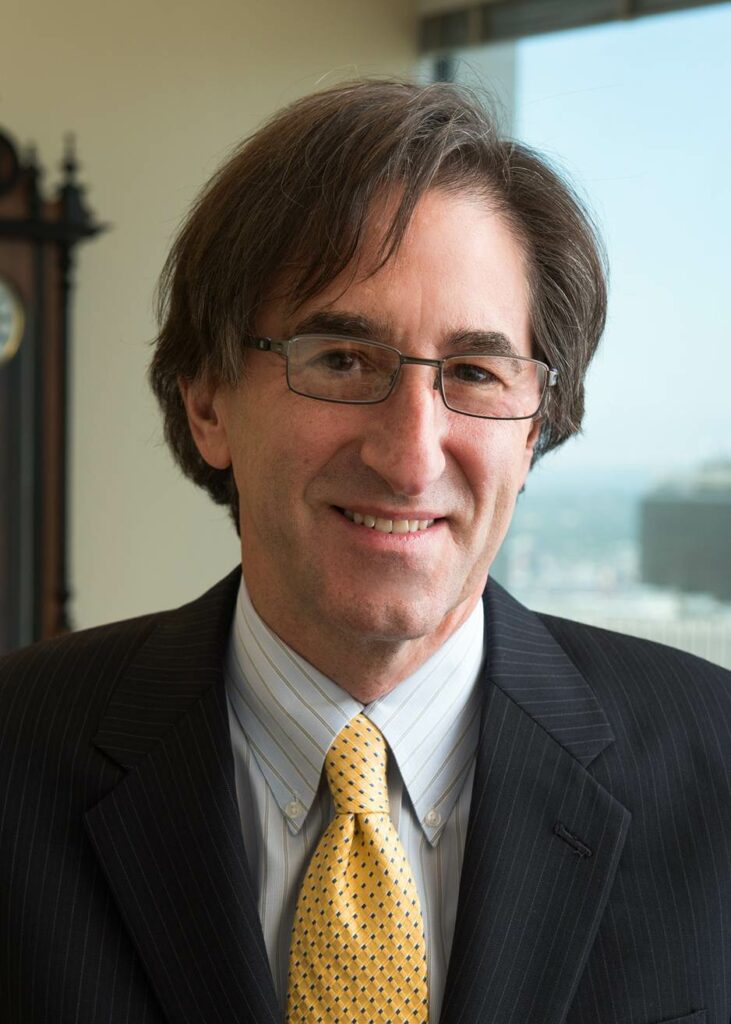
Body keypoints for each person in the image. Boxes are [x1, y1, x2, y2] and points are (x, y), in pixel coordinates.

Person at [0, 80, 728, 1024]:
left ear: (533, 430)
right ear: (208, 401)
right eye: (342, 360)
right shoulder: (16, 757)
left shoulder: (716, 765)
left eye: (475, 372)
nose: (410, 456)